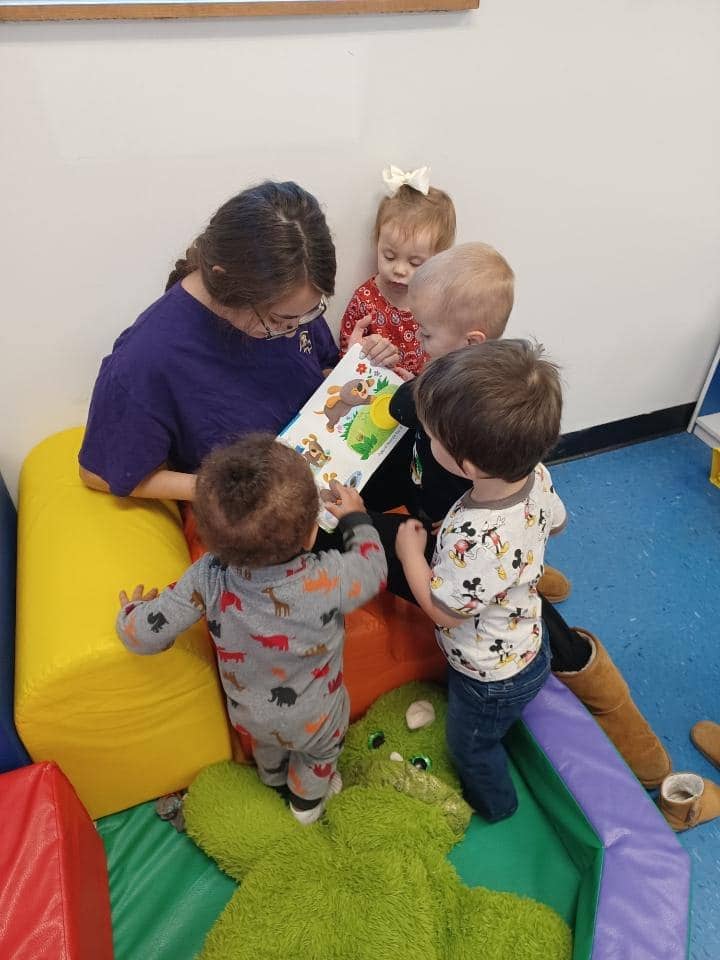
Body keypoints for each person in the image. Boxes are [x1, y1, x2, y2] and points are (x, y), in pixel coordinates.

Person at [380, 242, 670, 789]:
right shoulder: (524, 464)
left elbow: (447, 606)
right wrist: (523, 554)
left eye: (422, 333)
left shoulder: (476, 501)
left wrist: (420, 553)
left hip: (487, 628)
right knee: (511, 567)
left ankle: (617, 724)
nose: (415, 341)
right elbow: (554, 519)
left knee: (478, 734)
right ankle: (524, 570)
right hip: (493, 550)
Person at [116, 435, 387, 825]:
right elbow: (374, 569)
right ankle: (305, 806)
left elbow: (141, 635)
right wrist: (356, 520)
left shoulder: (208, 575)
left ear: (206, 537)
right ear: (312, 533)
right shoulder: (329, 577)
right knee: (319, 754)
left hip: (249, 714)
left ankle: (274, 780)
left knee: (268, 745)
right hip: (317, 716)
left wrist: (130, 611)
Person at [79, 180, 399, 502]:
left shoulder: (291, 303)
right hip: (264, 509)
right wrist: (229, 486)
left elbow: (317, 373)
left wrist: (355, 370)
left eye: (307, 316)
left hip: (331, 465)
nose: (294, 331)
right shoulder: (148, 359)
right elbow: (98, 473)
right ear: (224, 282)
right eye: (279, 321)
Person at [395, 340, 562, 821]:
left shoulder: (478, 531)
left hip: (487, 673)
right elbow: (557, 523)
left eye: (431, 436)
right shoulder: (536, 474)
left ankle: (497, 807)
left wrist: (410, 554)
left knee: (469, 747)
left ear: (466, 465)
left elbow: (445, 612)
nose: (426, 439)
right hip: (527, 635)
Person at [338, 165, 456, 377]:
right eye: (389, 257)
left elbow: (447, 357)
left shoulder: (438, 304)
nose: (400, 270)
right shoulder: (365, 301)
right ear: (377, 243)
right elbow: (345, 361)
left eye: (415, 263)